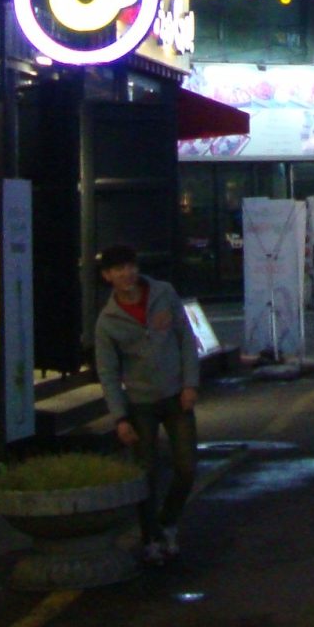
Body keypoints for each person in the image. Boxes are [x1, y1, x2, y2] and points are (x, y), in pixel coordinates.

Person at [93, 243, 200, 567]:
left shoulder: (163, 292)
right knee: (146, 474)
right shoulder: (108, 322)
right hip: (140, 404)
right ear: (107, 276)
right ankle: (151, 537)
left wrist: (190, 383)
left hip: (176, 395)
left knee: (186, 467)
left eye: (130, 266)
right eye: (118, 269)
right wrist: (119, 418)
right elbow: (108, 373)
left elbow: (185, 337)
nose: (126, 273)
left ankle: (167, 522)